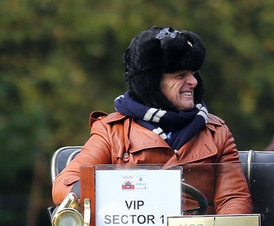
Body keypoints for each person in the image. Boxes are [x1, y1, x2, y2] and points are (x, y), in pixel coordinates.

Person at [53, 26, 252, 215]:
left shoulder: (216, 132)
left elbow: (234, 199)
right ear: (152, 84)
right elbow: (65, 185)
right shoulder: (111, 131)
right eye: (180, 75)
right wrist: (121, 206)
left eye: (193, 74)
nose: (193, 82)